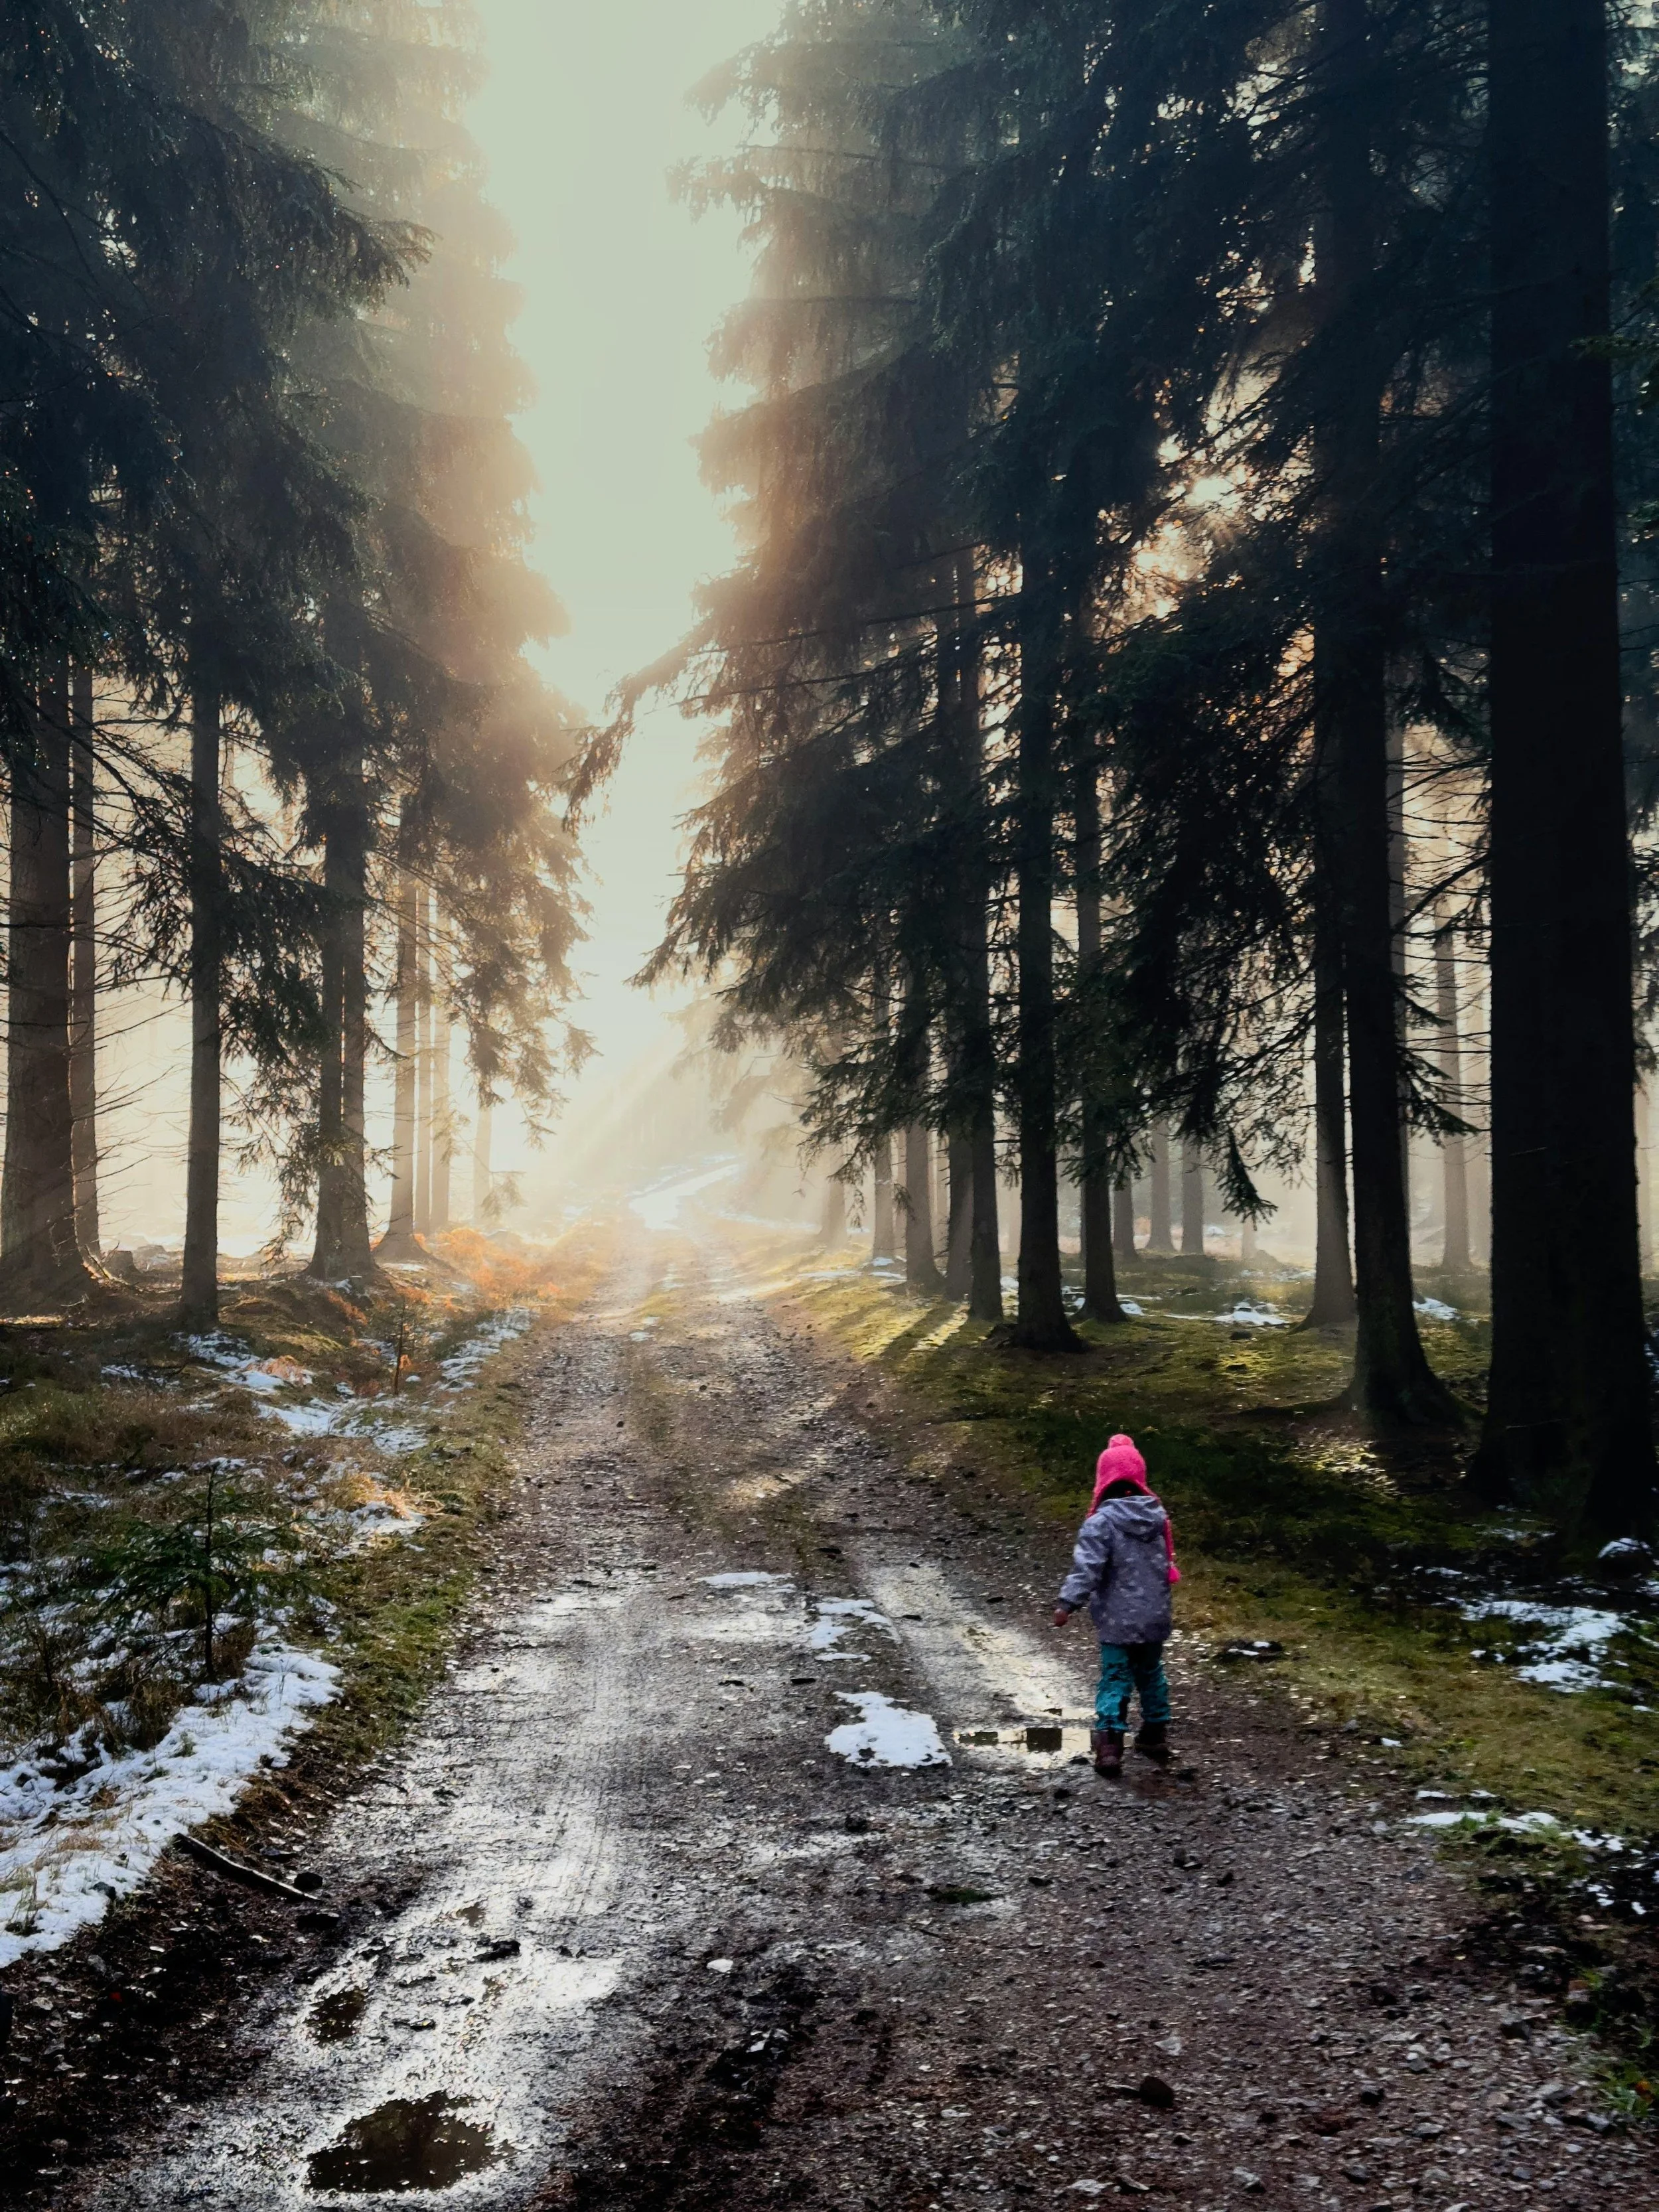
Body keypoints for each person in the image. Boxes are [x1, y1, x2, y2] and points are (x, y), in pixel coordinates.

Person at [1051, 1433, 1181, 1775]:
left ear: (1103, 1480)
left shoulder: (1101, 1523)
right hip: (1154, 1616)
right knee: (1151, 1674)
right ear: (1140, 1477)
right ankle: (1155, 1733)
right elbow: (1165, 1567)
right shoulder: (1158, 1519)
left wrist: (1067, 1603)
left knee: (1115, 1677)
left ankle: (1110, 1744)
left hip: (1117, 1619)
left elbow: (1088, 1569)